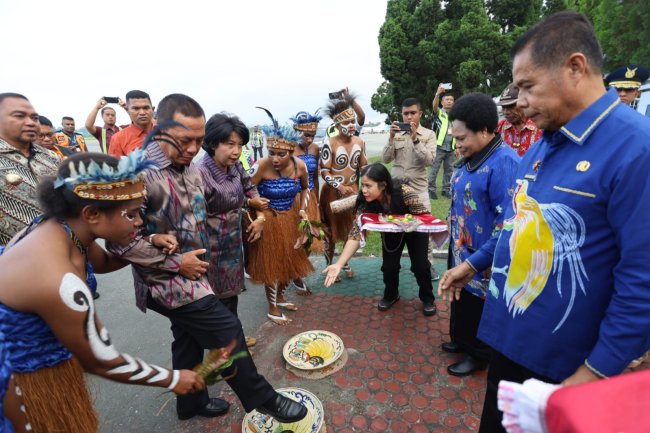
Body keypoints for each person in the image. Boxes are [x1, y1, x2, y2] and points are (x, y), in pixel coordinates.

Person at [440, 12, 650, 433]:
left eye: (528, 87)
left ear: (575, 67)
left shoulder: (635, 148)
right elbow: (514, 225)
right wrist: (474, 263)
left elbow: (642, 278)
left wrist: (595, 373)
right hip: (510, 342)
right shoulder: (545, 144)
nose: (519, 102)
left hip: (568, 365)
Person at [106, 94, 307, 423]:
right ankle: (262, 398)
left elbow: (217, 208)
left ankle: (190, 403)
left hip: (197, 272)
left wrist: (248, 218)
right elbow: (118, 243)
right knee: (227, 327)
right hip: (165, 282)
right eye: (186, 139)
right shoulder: (139, 174)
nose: (194, 148)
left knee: (186, 342)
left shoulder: (189, 169)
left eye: (199, 141)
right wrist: (175, 262)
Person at [0, 151, 205, 433]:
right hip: (20, 385)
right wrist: (173, 379)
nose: (139, 222)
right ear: (92, 213)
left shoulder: (63, 229)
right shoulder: (56, 278)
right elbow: (100, 361)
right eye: (131, 214)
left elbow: (105, 262)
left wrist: (152, 242)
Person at [438, 93, 520, 377]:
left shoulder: (504, 163)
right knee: (462, 300)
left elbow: (508, 223)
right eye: (455, 139)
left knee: (479, 305)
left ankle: (479, 355)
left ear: (485, 131)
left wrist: (479, 259)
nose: (457, 145)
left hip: (485, 255)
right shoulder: (471, 156)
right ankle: (461, 340)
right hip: (463, 245)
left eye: (462, 139)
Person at [322, 163, 436, 316]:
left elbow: (425, 216)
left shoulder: (405, 192)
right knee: (389, 267)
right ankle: (391, 295)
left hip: (416, 229)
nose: (364, 190)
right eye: (363, 185)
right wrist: (339, 264)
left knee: (421, 266)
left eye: (369, 186)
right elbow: (356, 234)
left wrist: (407, 223)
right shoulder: (364, 201)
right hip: (390, 231)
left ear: (383, 185)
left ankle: (427, 298)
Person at [196, 112, 267, 347]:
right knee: (213, 299)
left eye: (240, 145)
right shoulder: (199, 173)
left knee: (231, 295)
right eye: (230, 144)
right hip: (210, 246)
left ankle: (232, 335)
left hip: (233, 242)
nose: (236, 151)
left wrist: (259, 215)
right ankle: (223, 345)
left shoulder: (235, 165)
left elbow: (249, 187)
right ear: (213, 143)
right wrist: (247, 203)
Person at [248, 108, 314, 325]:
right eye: (271, 153)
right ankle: (272, 307)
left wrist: (304, 209)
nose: (275, 159)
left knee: (290, 260)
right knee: (273, 264)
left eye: (281, 154)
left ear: (291, 153)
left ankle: (282, 296)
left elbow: (306, 189)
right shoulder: (261, 166)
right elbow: (247, 190)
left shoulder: (300, 166)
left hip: (291, 216)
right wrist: (255, 205)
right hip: (268, 219)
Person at [382, 97, 439, 279]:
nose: (409, 117)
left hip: (418, 191)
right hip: (396, 193)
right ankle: (392, 266)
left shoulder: (429, 134)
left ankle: (427, 266)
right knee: (394, 229)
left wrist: (415, 140)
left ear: (420, 114)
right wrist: (391, 139)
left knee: (424, 231)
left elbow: (429, 161)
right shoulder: (396, 133)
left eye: (413, 113)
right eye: (405, 113)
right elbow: (385, 159)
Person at [0, 93, 59, 246]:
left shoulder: (51, 157)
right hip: (11, 260)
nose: (31, 123)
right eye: (19, 116)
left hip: (64, 250)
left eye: (34, 118)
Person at [320, 95, 368, 280]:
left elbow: (363, 165)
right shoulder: (329, 143)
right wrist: (339, 186)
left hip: (353, 192)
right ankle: (329, 264)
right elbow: (324, 171)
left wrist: (366, 184)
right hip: (333, 193)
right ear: (338, 125)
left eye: (353, 121)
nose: (351, 125)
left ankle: (344, 261)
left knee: (351, 229)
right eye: (346, 122)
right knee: (331, 232)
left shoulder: (359, 142)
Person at [290, 110, 323, 294]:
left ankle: (297, 269)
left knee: (311, 238)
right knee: (296, 238)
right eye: (306, 135)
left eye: (312, 135)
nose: (309, 139)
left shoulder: (315, 149)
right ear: (298, 132)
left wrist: (316, 198)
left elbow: (315, 177)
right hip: (294, 199)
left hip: (310, 197)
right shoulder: (290, 148)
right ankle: (295, 274)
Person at [496, 83, 542, 157]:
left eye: (510, 106)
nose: (506, 112)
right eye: (503, 107)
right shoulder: (498, 128)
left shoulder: (540, 126)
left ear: (523, 103)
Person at [429, 83, 456, 199]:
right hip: (438, 146)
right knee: (434, 169)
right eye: (447, 99)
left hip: (451, 147)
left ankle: (446, 189)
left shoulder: (456, 115)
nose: (449, 101)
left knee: (449, 170)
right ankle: (431, 190)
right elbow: (434, 106)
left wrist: (458, 146)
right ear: (442, 102)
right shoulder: (439, 112)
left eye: (451, 100)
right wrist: (438, 94)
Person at [109, 90, 155, 157]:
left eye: (146, 108)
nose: (142, 113)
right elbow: (115, 166)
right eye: (136, 109)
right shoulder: (118, 139)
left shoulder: (166, 131)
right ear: (127, 110)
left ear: (152, 109)